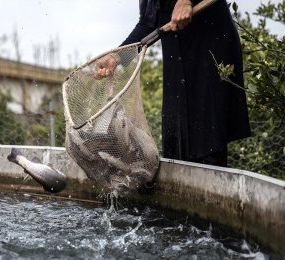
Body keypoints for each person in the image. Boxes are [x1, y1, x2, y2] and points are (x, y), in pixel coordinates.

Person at [95, 0, 251, 167]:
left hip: (208, 48)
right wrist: (117, 57)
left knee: (207, 142)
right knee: (177, 140)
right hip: (177, 58)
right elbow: (148, 23)